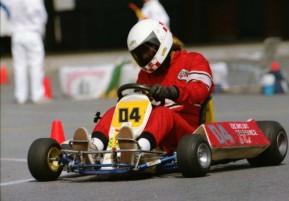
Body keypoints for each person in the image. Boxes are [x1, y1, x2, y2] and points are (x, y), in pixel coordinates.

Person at [72, 19, 214, 165]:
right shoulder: (145, 75)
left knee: (163, 112)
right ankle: (94, 148)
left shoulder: (193, 60)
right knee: (116, 111)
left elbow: (201, 89)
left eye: (147, 50)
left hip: (187, 132)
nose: (145, 57)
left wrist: (171, 92)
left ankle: (137, 149)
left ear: (161, 40)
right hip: (152, 129)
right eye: (139, 54)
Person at [6, 0, 48, 104]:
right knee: (36, 65)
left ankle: (20, 96)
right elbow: (42, 16)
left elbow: (9, 16)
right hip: (32, 33)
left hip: (17, 34)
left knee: (19, 66)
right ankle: (37, 94)